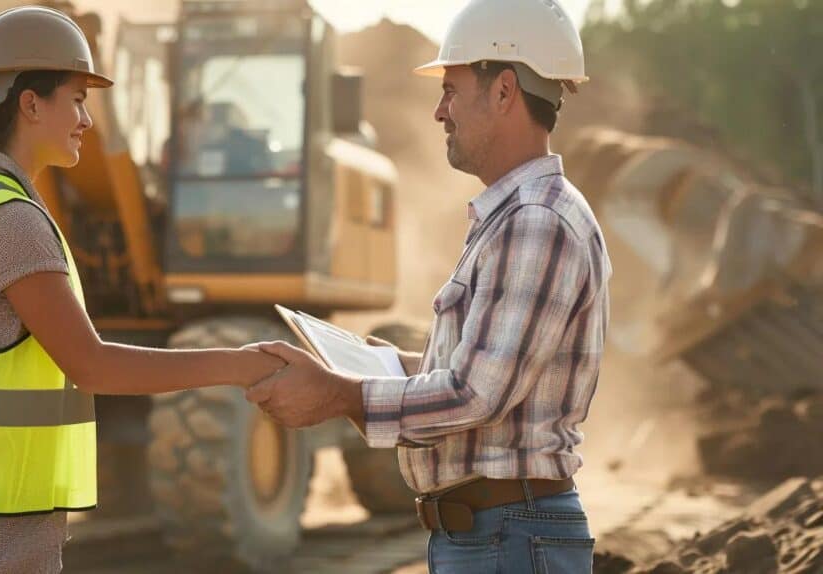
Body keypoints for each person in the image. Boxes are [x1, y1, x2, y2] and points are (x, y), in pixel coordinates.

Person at [0, 7, 282, 573]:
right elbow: (93, 366)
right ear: (30, 104)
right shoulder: (8, 219)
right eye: (76, 99)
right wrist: (240, 365)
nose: (86, 120)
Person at [244, 0, 610, 572]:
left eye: (451, 89)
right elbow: (485, 372)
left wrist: (341, 395)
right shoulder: (511, 216)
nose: (440, 111)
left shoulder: (536, 221)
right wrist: (379, 364)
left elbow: (476, 394)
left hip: (507, 537)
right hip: (494, 535)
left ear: (505, 91)